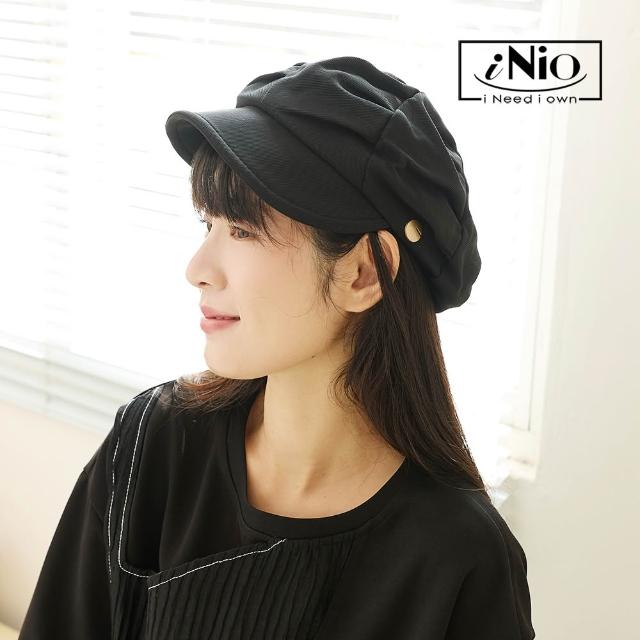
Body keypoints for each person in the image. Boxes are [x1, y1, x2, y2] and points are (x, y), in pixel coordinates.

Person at [18, 56, 535, 639]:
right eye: (208, 225)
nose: (198, 269)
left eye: (242, 230)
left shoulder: (459, 556)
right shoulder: (154, 443)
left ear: (364, 272)